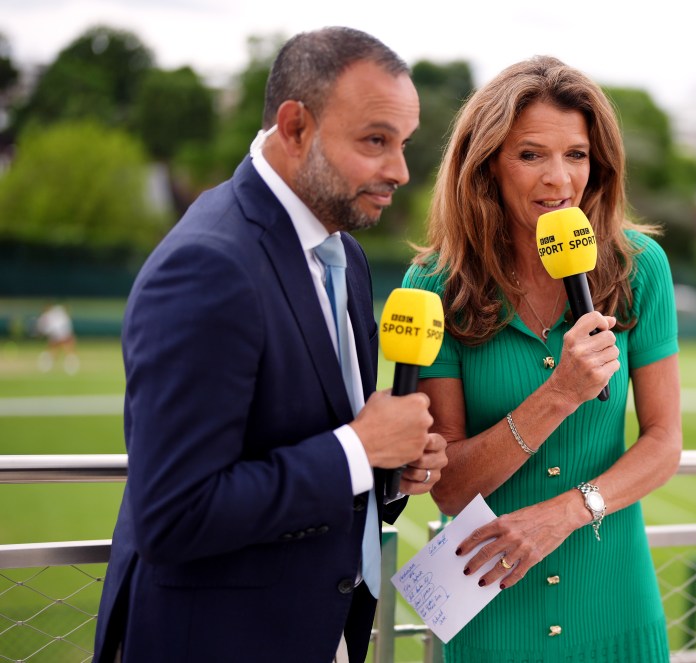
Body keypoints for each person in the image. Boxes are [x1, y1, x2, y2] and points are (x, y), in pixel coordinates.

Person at [94, 27, 447, 663]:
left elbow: (317, 441)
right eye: (376, 140)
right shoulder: (208, 265)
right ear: (295, 128)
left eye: (403, 144)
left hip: (320, 628)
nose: (399, 170)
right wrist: (360, 451)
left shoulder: (346, 256)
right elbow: (174, 515)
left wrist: (390, 470)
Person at [403, 56, 682, 662]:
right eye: (532, 155)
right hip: (492, 616)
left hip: (617, 608)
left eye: (576, 155)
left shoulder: (640, 268)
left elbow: (664, 442)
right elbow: (448, 486)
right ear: (487, 167)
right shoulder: (434, 284)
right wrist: (560, 393)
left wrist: (565, 513)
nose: (560, 180)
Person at [34, 303, 79, 374]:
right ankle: (48, 364)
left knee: (65, 350)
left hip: (61, 333)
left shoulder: (52, 314)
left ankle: (70, 366)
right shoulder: (50, 315)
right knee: (57, 351)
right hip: (60, 334)